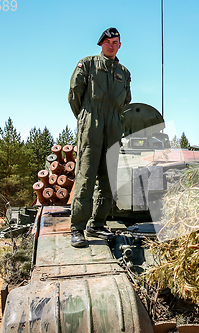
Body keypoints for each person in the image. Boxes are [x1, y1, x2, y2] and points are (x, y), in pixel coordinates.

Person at [68, 27, 132, 248]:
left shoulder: (124, 72)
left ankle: (97, 223)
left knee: (108, 178)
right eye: (107, 41)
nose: (111, 45)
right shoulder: (87, 64)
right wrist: (86, 118)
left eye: (115, 42)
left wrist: (113, 120)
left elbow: (126, 101)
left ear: (120, 45)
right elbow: (74, 94)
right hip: (91, 124)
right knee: (86, 175)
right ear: (101, 44)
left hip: (113, 126)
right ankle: (77, 227)